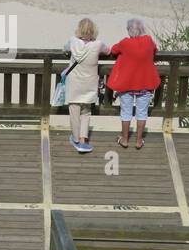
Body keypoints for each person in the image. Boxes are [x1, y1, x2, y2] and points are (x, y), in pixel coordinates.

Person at [107, 17, 162, 150]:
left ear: (129, 30)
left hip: (127, 85)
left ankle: (125, 139)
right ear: (142, 29)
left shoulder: (125, 43)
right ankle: (138, 141)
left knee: (126, 112)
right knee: (142, 113)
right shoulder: (149, 40)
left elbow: (113, 50)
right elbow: (155, 50)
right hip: (145, 83)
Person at [62, 18, 111, 154]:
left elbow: (65, 48)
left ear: (79, 29)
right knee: (86, 112)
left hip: (74, 82)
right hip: (89, 83)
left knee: (74, 111)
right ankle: (83, 140)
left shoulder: (72, 41)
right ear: (94, 30)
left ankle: (75, 138)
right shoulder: (98, 44)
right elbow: (108, 51)